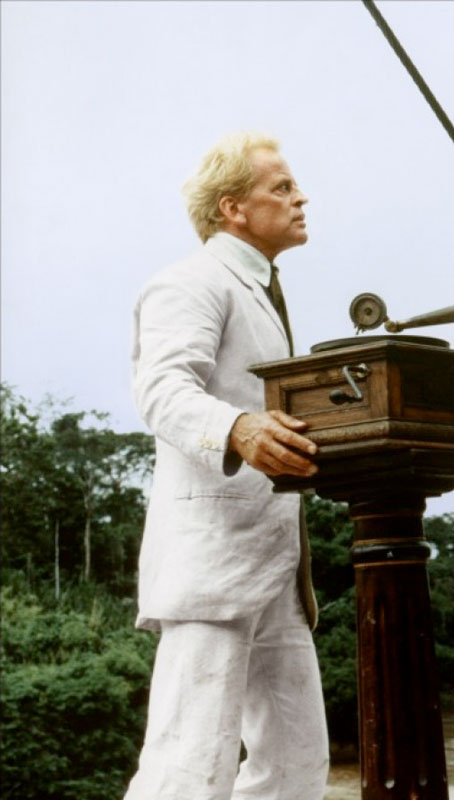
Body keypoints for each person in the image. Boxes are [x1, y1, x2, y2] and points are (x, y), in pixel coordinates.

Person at [124, 133, 330, 800]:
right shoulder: (190, 281)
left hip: (276, 573)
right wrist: (238, 429)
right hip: (212, 565)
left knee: (296, 769)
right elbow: (161, 390)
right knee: (188, 766)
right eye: (282, 187)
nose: (301, 198)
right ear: (233, 208)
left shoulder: (262, 289)